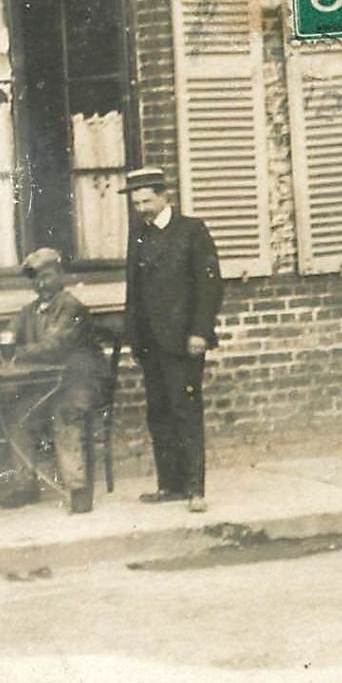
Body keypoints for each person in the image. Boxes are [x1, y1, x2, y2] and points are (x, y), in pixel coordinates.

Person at [123, 167, 223, 514]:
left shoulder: (192, 231)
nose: (142, 209)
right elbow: (134, 290)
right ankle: (170, 486)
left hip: (183, 341)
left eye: (147, 201)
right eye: (136, 203)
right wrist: (135, 337)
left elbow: (209, 286)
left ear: (164, 196)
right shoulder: (139, 234)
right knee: (159, 413)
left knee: (186, 412)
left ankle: (195, 489)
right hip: (151, 342)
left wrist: (200, 332)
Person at [0, 248, 109, 514]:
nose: (41, 284)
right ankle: (24, 485)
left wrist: (15, 352)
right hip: (51, 384)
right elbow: (10, 333)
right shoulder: (31, 311)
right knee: (19, 414)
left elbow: (53, 346)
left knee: (65, 412)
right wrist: (2, 343)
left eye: (46, 276)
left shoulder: (71, 308)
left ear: (60, 275)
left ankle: (78, 489)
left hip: (82, 382)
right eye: (35, 279)